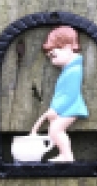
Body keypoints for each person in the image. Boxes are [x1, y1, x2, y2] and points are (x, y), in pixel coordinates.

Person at [31, 26, 88, 162]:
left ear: (67, 47)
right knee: (54, 130)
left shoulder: (74, 71)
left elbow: (69, 94)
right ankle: (65, 155)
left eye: (53, 55)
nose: (52, 60)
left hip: (71, 106)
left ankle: (67, 156)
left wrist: (55, 109)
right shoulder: (70, 69)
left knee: (55, 130)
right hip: (66, 107)